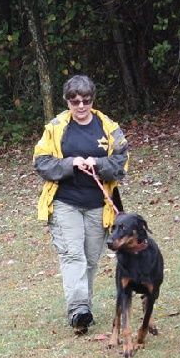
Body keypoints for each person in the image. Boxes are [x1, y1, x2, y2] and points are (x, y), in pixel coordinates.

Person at [33, 75, 128, 334]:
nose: (81, 106)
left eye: (86, 100)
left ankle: (82, 306)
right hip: (65, 202)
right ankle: (78, 310)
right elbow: (41, 162)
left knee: (90, 259)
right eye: (75, 101)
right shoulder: (56, 127)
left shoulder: (108, 127)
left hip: (99, 205)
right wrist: (70, 163)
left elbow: (121, 163)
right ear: (67, 101)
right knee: (72, 254)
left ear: (92, 100)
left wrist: (97, 164)